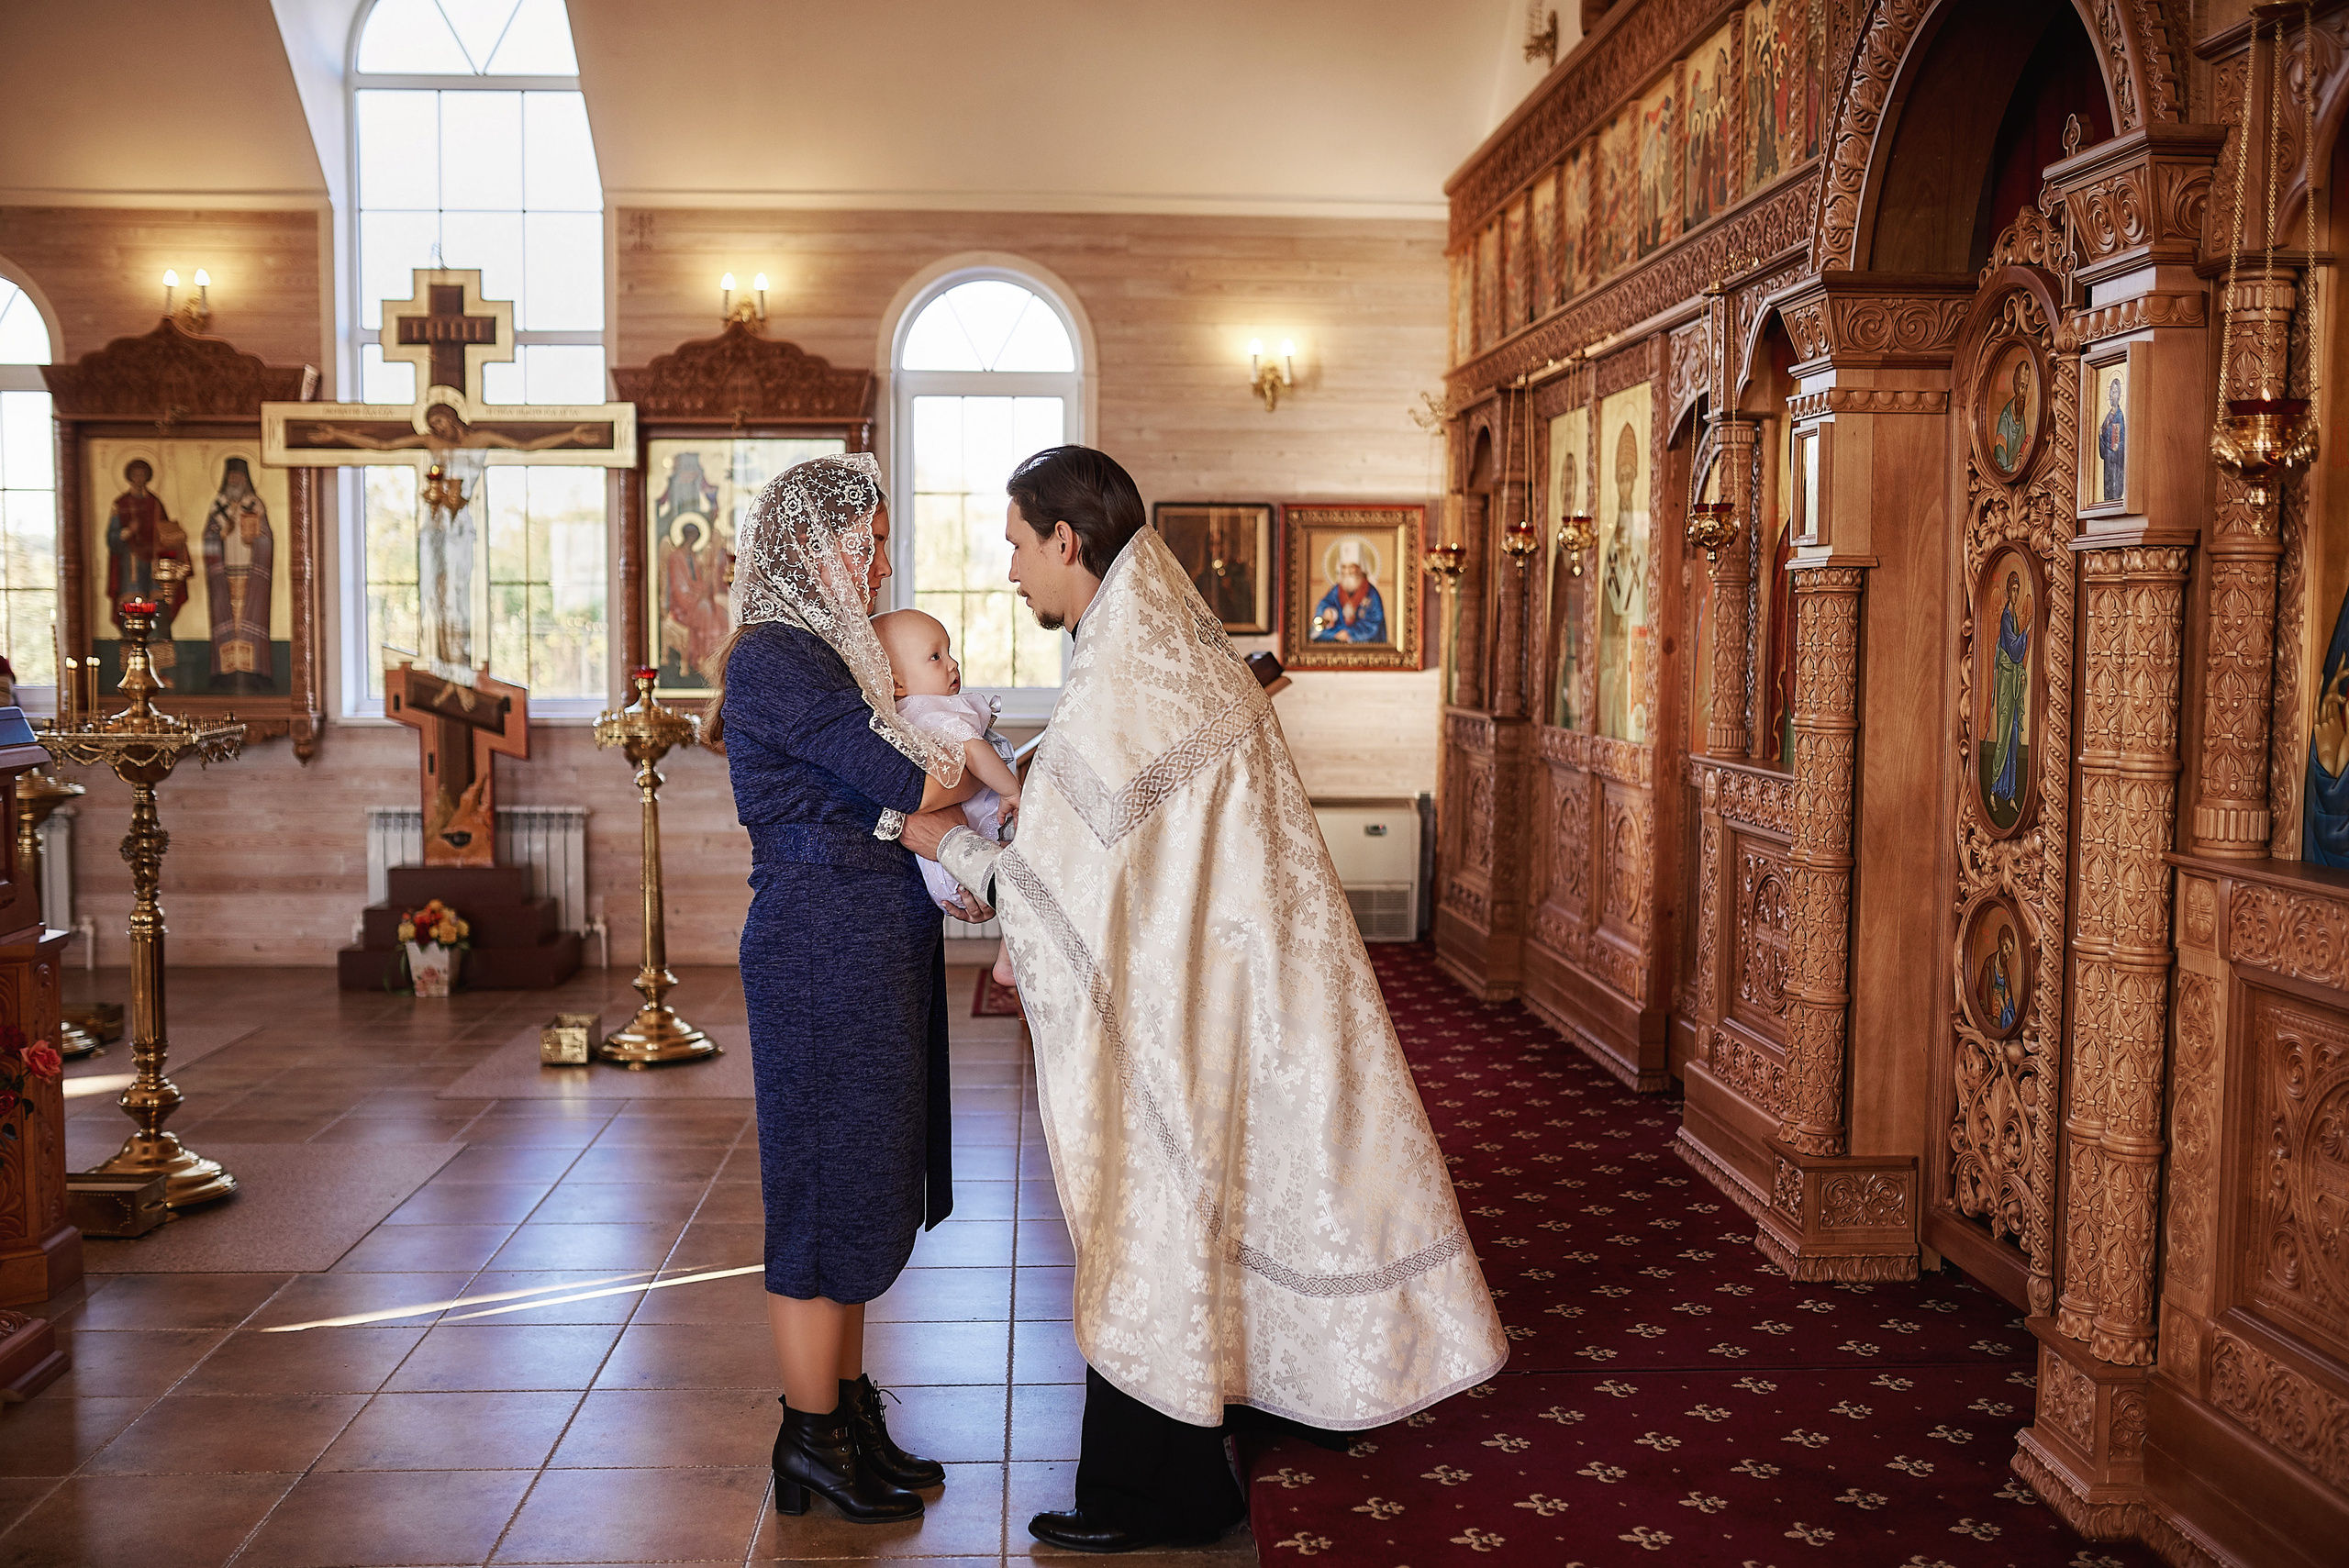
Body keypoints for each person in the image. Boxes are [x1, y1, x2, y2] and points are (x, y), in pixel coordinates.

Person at [903, 445, 1508, 1554]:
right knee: (1254, 1179)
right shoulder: (1164, 639)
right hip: (1242, 977)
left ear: (1066, 541)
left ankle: (1161, 1492)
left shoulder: (1124, 676)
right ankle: (1275, 1393)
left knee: (1158, 1200)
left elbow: (1057, 892)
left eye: (1015, 547)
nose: (1009, 573)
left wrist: (951, 845)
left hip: (1186, 997)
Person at [704, 451, 993, 1523]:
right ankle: (809, 1434)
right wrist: (933, 788)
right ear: (805, 545)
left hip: (872, 933)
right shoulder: (777, 657)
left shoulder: (834, 655)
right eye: (859, 539)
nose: (877, 560)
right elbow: (920, 776)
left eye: (878, 539)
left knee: (869, 1178)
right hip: (819, 940)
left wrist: (920, 808)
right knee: (822, 1189)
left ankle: (848, 1406)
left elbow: (901, 789)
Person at [872, 607, 1021, 917]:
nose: (952, 663)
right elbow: (975, 752)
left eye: (949, 651)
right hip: (968, 851)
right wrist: (1011, 792)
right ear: (896, 684)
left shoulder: (906, 716)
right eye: (935, 657)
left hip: (949, 868)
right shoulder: (929, 713)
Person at [201, 457, 274, 691]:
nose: (235, 482)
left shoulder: (254, 505)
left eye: (239, 478)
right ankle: (225, 671)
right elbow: (207, 538)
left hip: (250, 574)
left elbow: (266, 539)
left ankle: (253, 672)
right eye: (231, 477)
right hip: (225, 574)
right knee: (226, 622)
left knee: (249, 621)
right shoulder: (218, 506)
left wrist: (256, 538)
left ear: (246, 480)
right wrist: (220, 534)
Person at [1310, 538, 1385, 642]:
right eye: (1344, 567)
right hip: (1337, 636)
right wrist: (1329, 611)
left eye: (1352, 567)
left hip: (1362, 641)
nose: (1348, 571)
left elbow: (1374, 623)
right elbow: (1325, 604)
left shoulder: (1371, 593)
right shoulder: (1336, 590)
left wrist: (1349, 634)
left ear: (1360, 568)